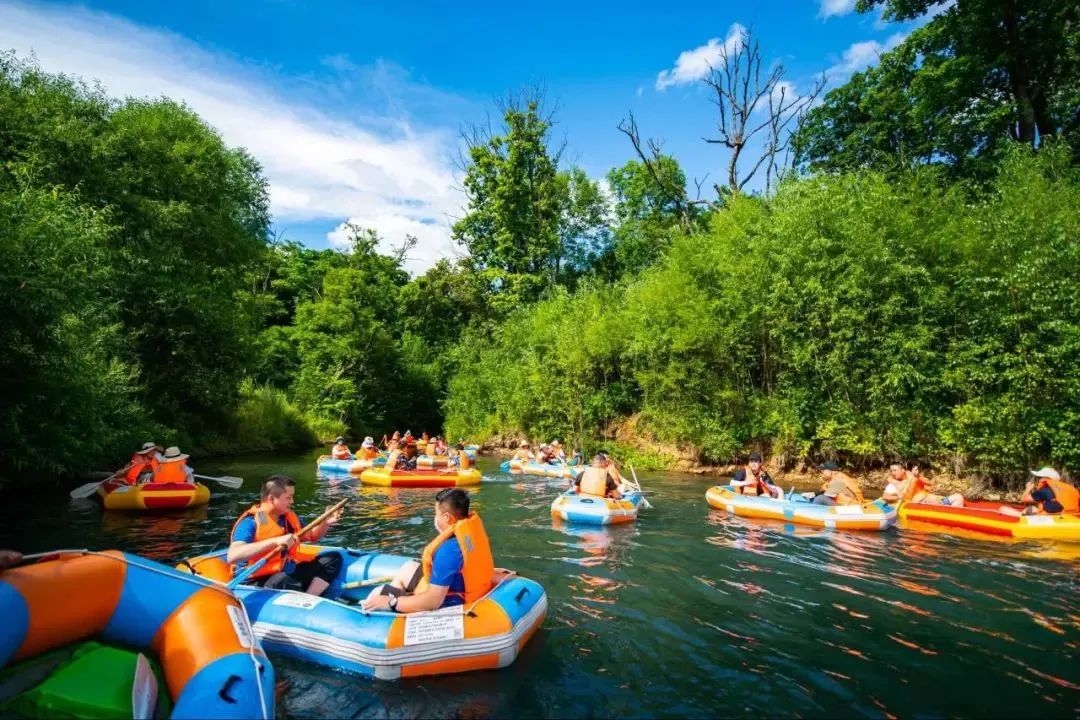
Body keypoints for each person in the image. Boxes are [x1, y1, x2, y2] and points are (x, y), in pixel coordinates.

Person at [361, 488, 494, 614]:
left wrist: (391, 602)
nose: (435, 518)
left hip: (453, 600)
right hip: (469, 588)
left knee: (376, 595)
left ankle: (395, 605)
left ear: (447, 517)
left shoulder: (448, 550)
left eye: (437, 514)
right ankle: (399, 593)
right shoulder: (470, 534)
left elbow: (433, 601)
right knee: (407, 568)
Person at [227, 475, 343, 595]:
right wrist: (276, 541)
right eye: (289, 497)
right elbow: (233, 555)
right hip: (256, 580)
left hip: (284, 571)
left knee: (332, 559)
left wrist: (325, 523)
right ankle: (301, 596)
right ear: (271, 499)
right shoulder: (251, 522)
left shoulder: (287, 517)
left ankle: (309, 597)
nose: (292, 501)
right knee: (282, 580)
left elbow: (312, 536)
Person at [999, 467, 1080, 517]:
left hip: (1051, 518)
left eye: (1039, 478)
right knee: (1031, 508)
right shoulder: (1069, 489)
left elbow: (1023, 499)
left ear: (1045, 478)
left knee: (1003, 509)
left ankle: (1021, 517)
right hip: (1068, 516)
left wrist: (1028, 488)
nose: (1038, 480)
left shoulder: (1044, 491)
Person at [882, 464, 964, 506]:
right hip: (922, 504)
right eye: (891, 471)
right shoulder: (892, 485)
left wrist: (918, 476)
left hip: (935, 500)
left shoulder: (913, 476)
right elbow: (885, 496)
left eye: (895, 470)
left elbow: (930, 483)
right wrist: (897, 497)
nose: (893, 473)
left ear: (903, 470)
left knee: (959, 497)